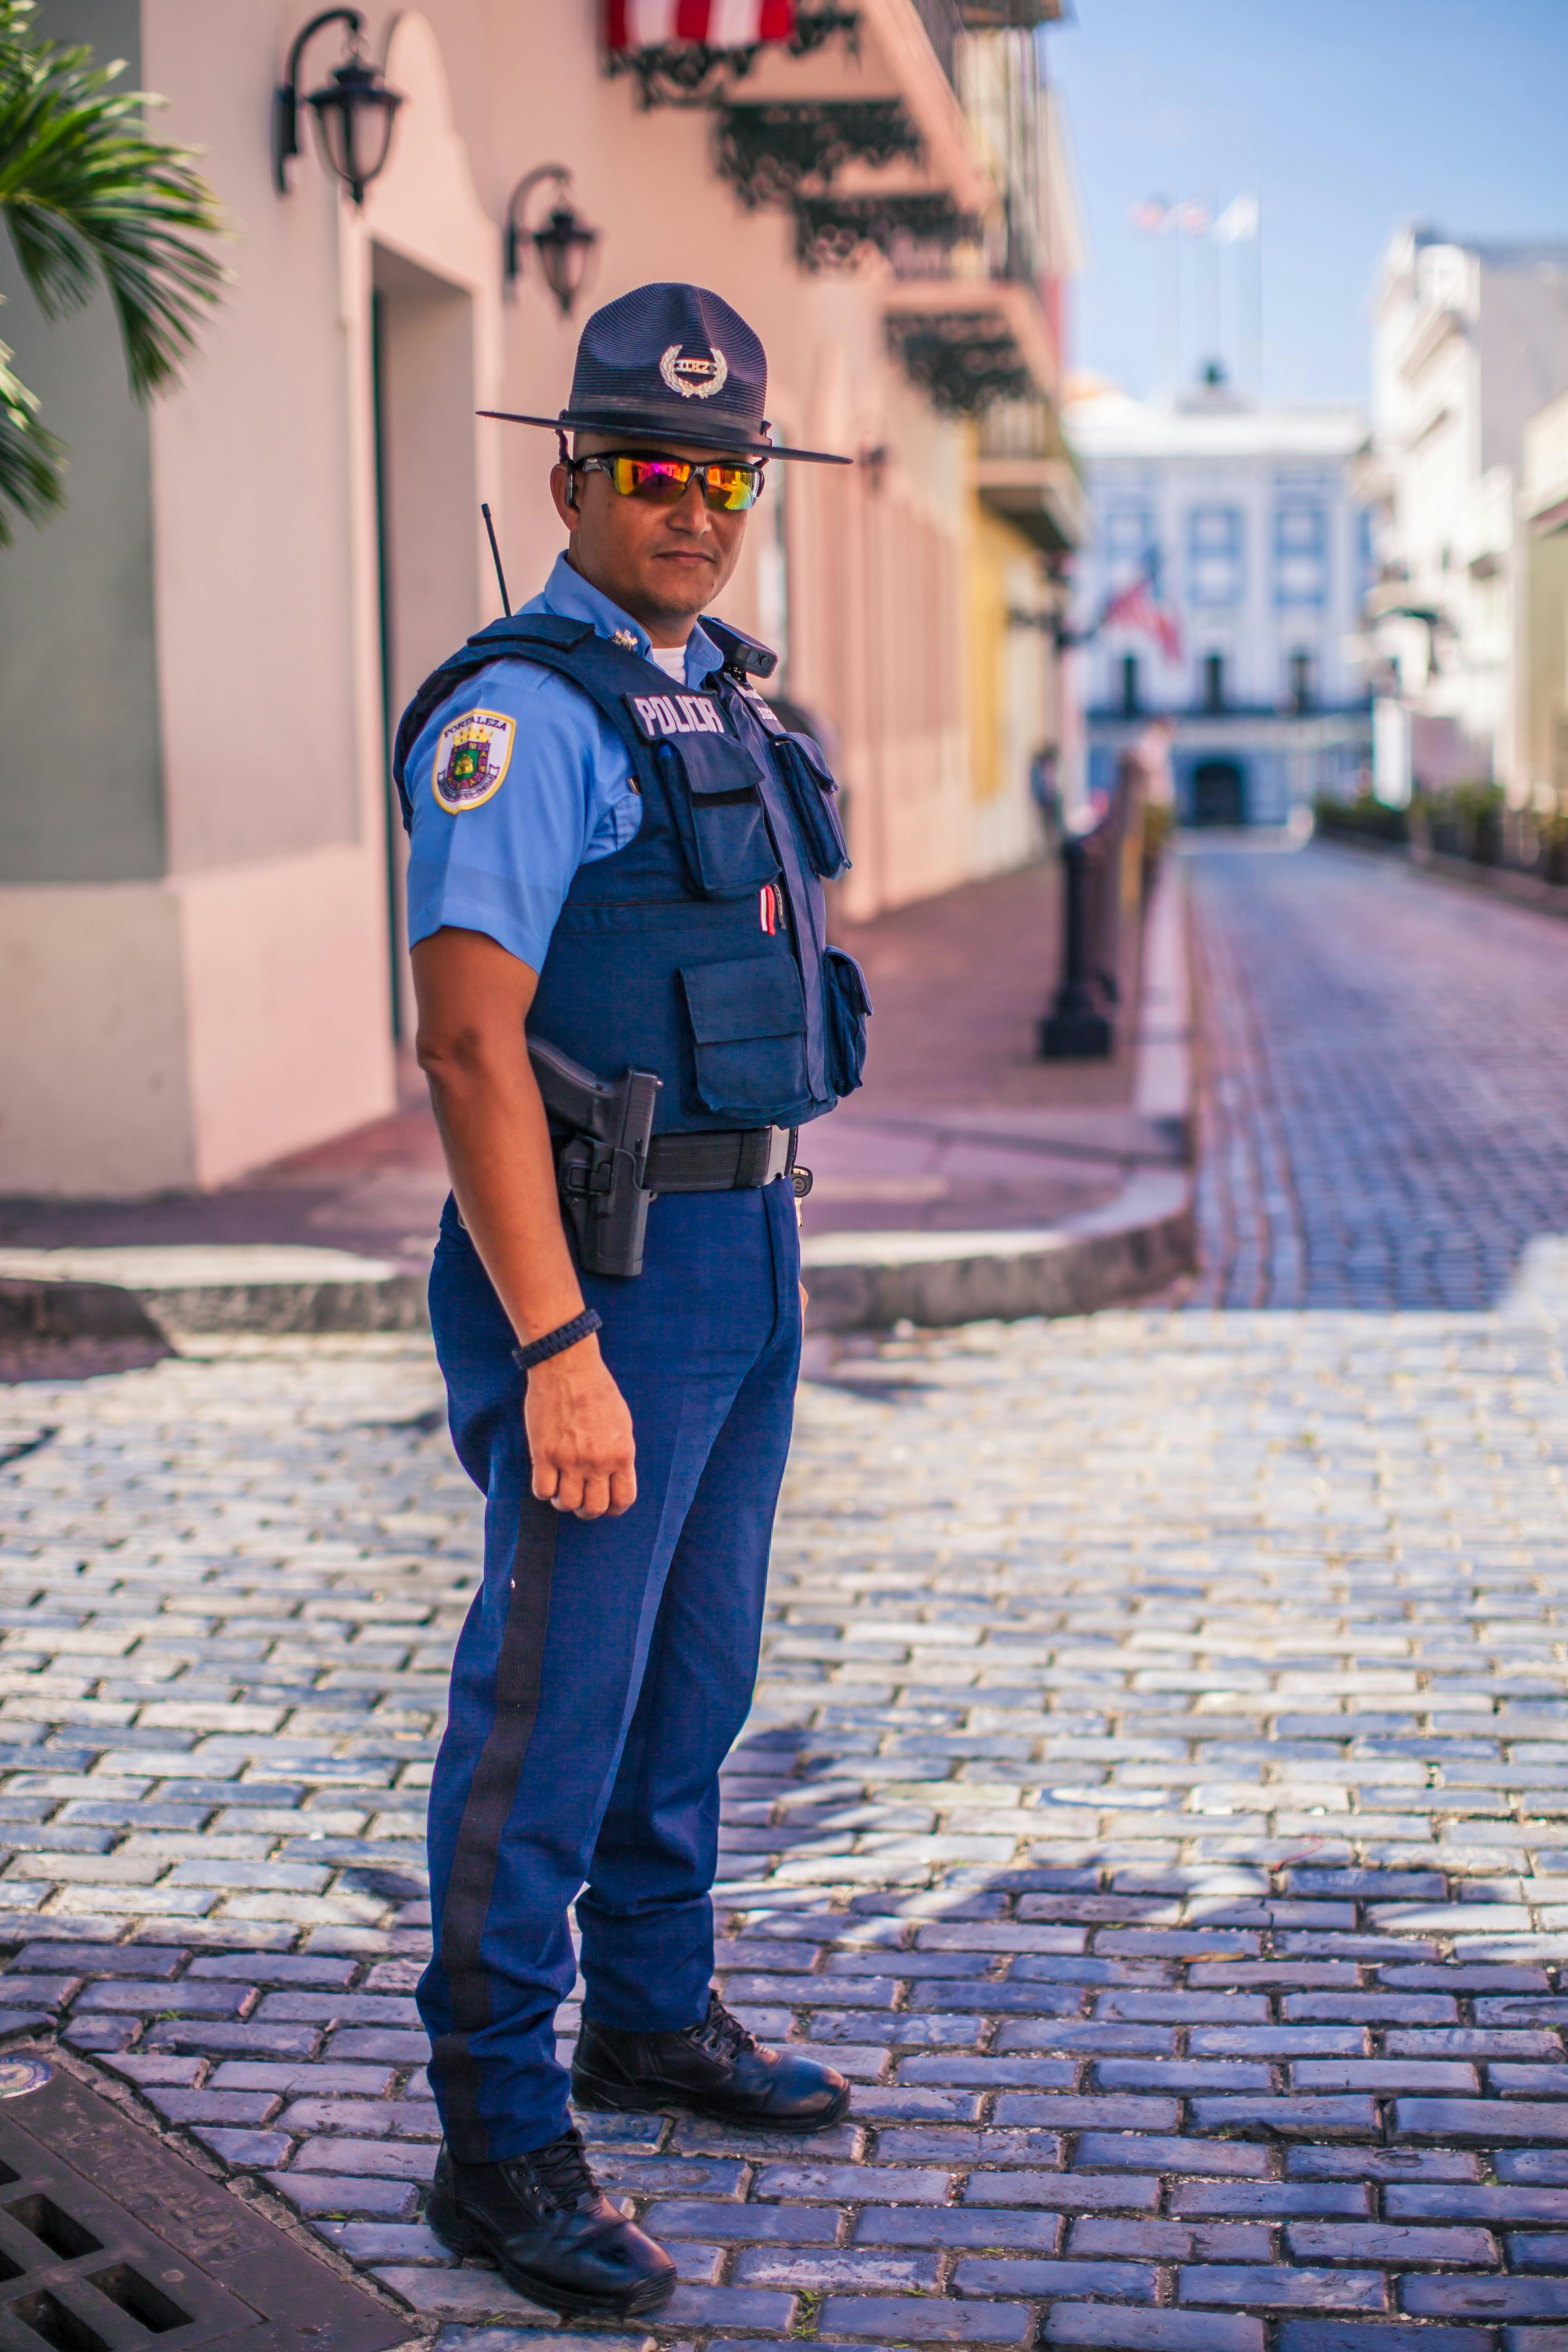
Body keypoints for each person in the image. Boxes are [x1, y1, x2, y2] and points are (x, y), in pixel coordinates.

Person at [393, 283, 871, 2323]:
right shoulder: (527, 718)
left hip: (747, 1251)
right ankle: (498, 2138)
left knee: (697, 1678)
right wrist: (557, 1345)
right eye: (654, 470)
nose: (694, 504)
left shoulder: (728, 700)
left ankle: (650, 2012)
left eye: (725, 472)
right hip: (603, 1276)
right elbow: (471, 1050)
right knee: (549, 1710)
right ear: (570, 476)